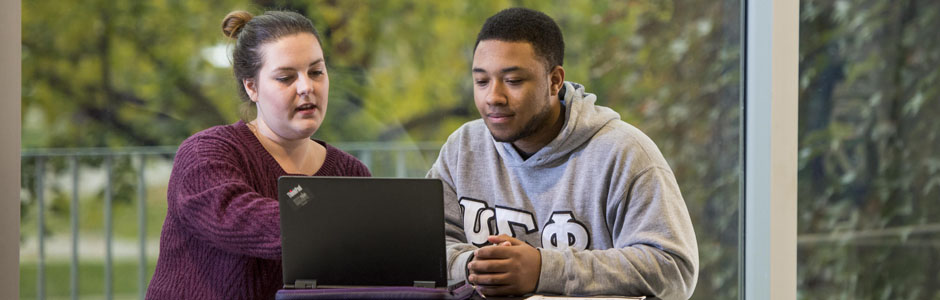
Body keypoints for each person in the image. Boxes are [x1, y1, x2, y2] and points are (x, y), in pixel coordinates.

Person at [427, 7, 699, 299]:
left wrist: (543, 269)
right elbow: (423, 247)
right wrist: (475, 266)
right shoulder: (462, 147)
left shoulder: (625, 154)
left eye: (513, 81)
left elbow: (674, 269)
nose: (493, 97)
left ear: (555, 81)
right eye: (481, 81)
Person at [146, 10, 370, 299]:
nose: (307, 87)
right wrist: (358, 223)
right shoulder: (205, 153)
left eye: (316, 72)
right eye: (286, 77)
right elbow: (237, 217)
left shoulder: (351, 173)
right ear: (251, 86)